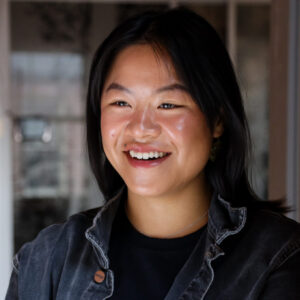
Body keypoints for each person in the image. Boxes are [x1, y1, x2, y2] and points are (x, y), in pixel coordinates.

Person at [6, 7, 300, 300]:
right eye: (121, 103)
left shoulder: (278, 258)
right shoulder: (47, 260)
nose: (141, 128)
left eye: (168, 104)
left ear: (218, 120)